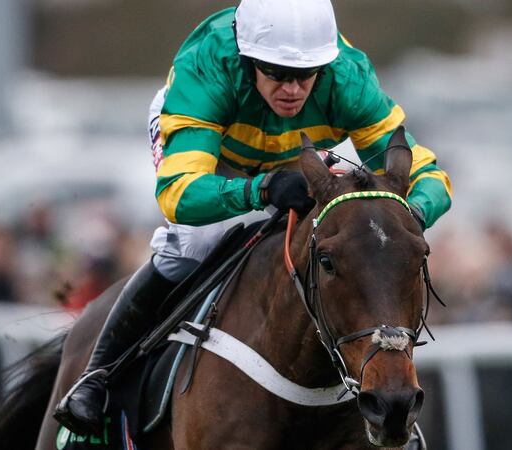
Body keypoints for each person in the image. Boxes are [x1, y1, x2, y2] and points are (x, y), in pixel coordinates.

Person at [55, 0, 453, 435]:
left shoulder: (348, 78)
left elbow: (429, 176)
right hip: (214, 153)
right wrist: (258, 189)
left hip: (296, 153)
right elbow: (179, 194)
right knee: (193, 245)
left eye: (305, 76)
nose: (293, 89)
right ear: (249, 60)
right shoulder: (209, 68)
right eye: (277, 74)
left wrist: (411, 213)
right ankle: (97, 375)